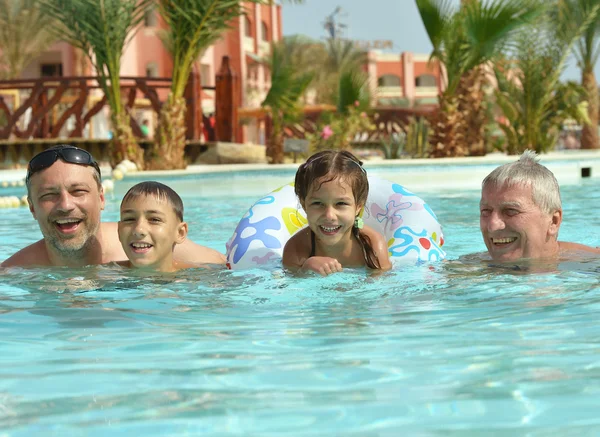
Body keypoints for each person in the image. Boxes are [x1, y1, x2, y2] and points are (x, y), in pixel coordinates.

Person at [1, 145, 226, 268]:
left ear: (101, 198)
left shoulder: (146, 244)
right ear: (31, 208)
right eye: (49, 195)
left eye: (78, 191)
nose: (66, 205)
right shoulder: (15, 273)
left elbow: (222, 268)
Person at [282, 150, 392, 275]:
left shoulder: (372, 247)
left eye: (341, 204)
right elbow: (290, 288)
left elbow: (382, 289)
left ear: (358, 207)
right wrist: (305, 271)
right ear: (304, 205)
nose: (329, 215)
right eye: (317, 203)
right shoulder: (296, 249)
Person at [479, 150, 600, 262]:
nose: (493, 225)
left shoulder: (591, 265)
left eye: (511, 211)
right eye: (486, 211)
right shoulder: (472, 267)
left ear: (553, 221)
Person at [118, 181, 193, 272]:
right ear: (119, 231)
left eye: (154, 220)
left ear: (180, 233)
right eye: (129, 219)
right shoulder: (102, 275)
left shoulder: (200, 278)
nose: (139, 230)